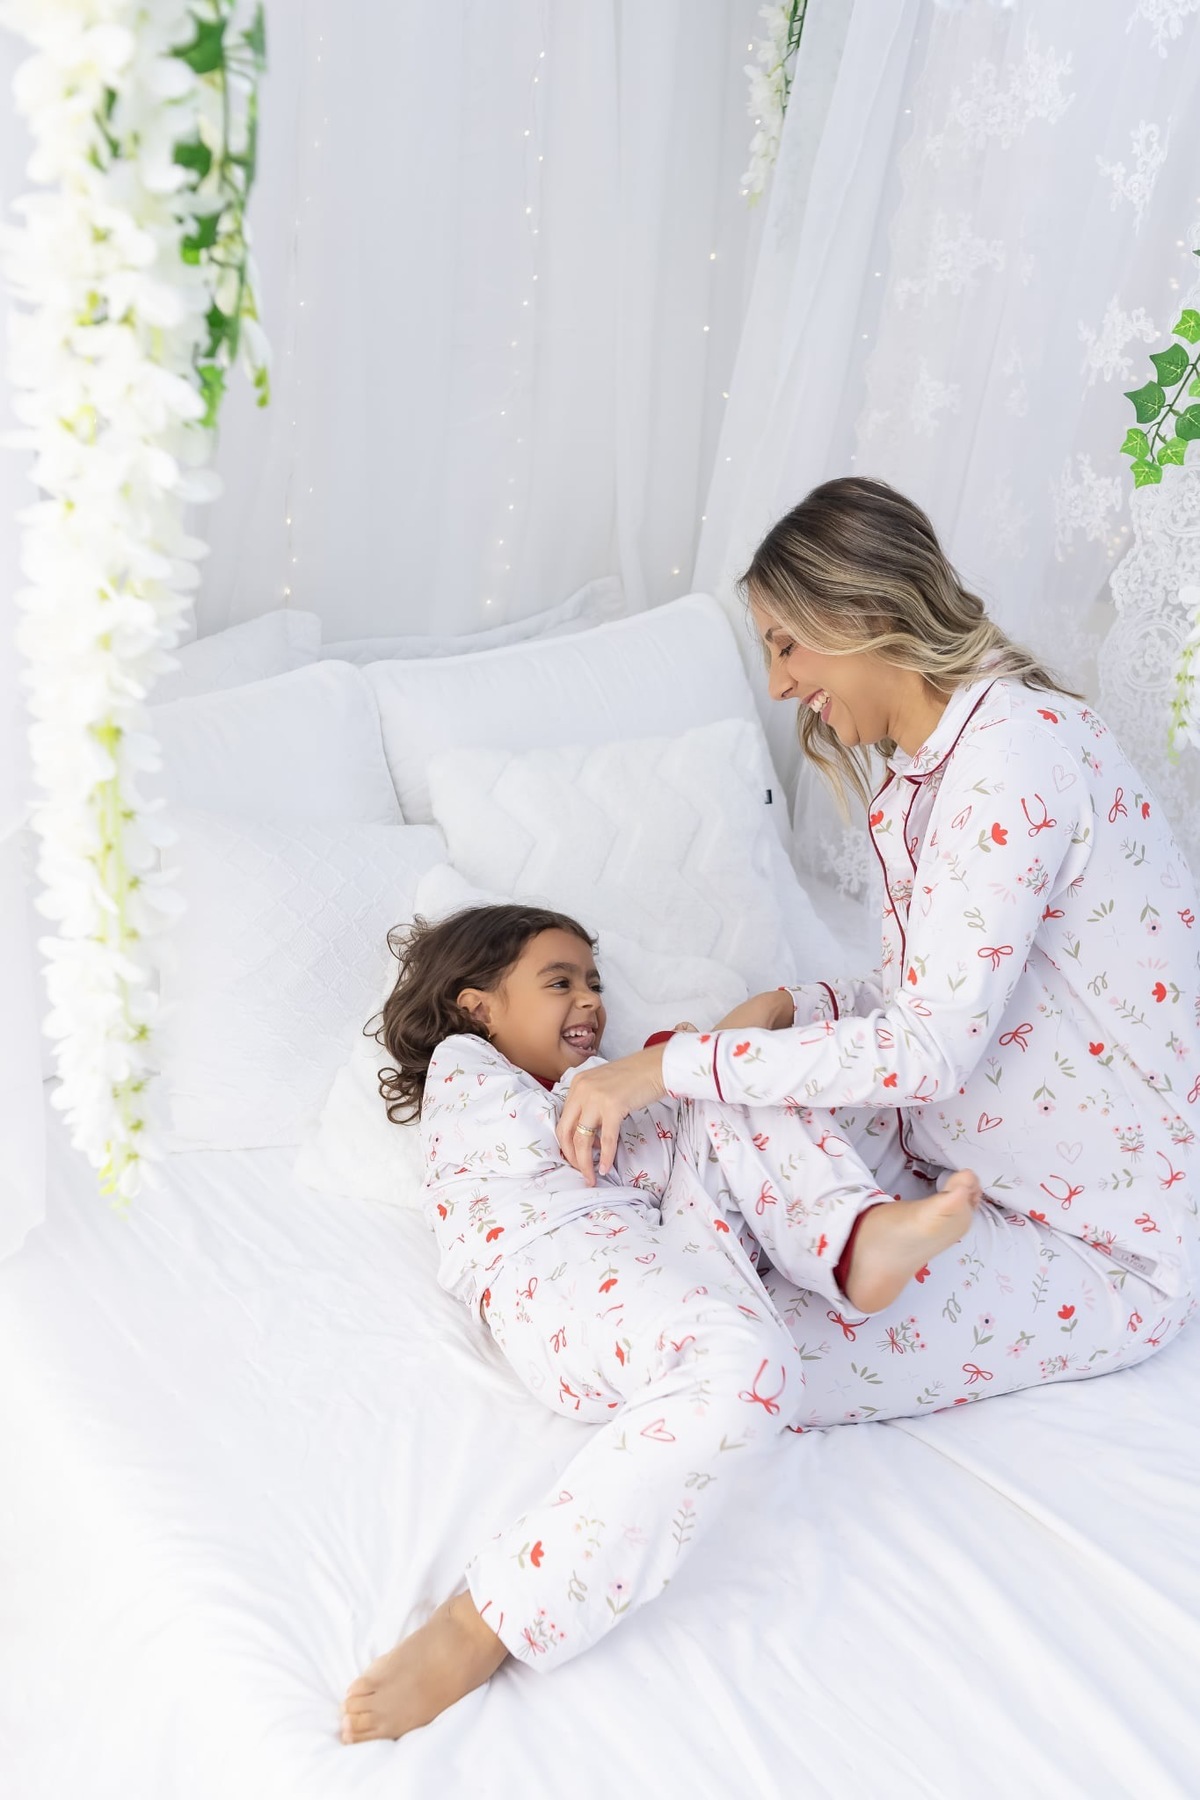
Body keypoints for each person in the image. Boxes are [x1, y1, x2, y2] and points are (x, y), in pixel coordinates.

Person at [559, 475, 1199, 1406]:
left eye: (786, 644)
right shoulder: (935, 765)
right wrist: (793, 1008)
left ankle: (788, 1254)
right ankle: (820, 1241)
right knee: (726, 1112)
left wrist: (672, 1065)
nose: (778, 685)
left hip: (1098, 1240)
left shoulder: (1011, 759)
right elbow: (938, 993)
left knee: (726, 1363)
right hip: (954, 1167)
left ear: (862, 610)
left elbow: (929, 1048)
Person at [340, 902, 979, 1743]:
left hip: (652, 1249)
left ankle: (851, 1235)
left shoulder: (595, 1082)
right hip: (556, 1267)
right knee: (744, 1361)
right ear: (476, 1006)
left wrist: (689, 1067)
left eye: (595, 983)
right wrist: (660, 1076)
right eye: (558, 982)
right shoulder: (467, 1076)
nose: (589, 1001)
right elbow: (570, 1150)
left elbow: (660, 1143)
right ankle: (489, 1618)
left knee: (732, 1078)